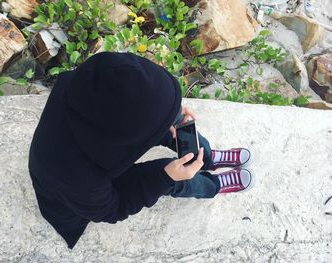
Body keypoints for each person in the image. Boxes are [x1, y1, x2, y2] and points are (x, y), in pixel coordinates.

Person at [28, 52, 254, 249]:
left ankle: (207, 158)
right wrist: (165, 177)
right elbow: (113, 209)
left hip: (94, 135)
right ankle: (211, 185)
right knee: (167, 174)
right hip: (77, 184)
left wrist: (170, 108)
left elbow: (139, 102)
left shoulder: (89, 80)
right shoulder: (77, 180)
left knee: (177, 123)